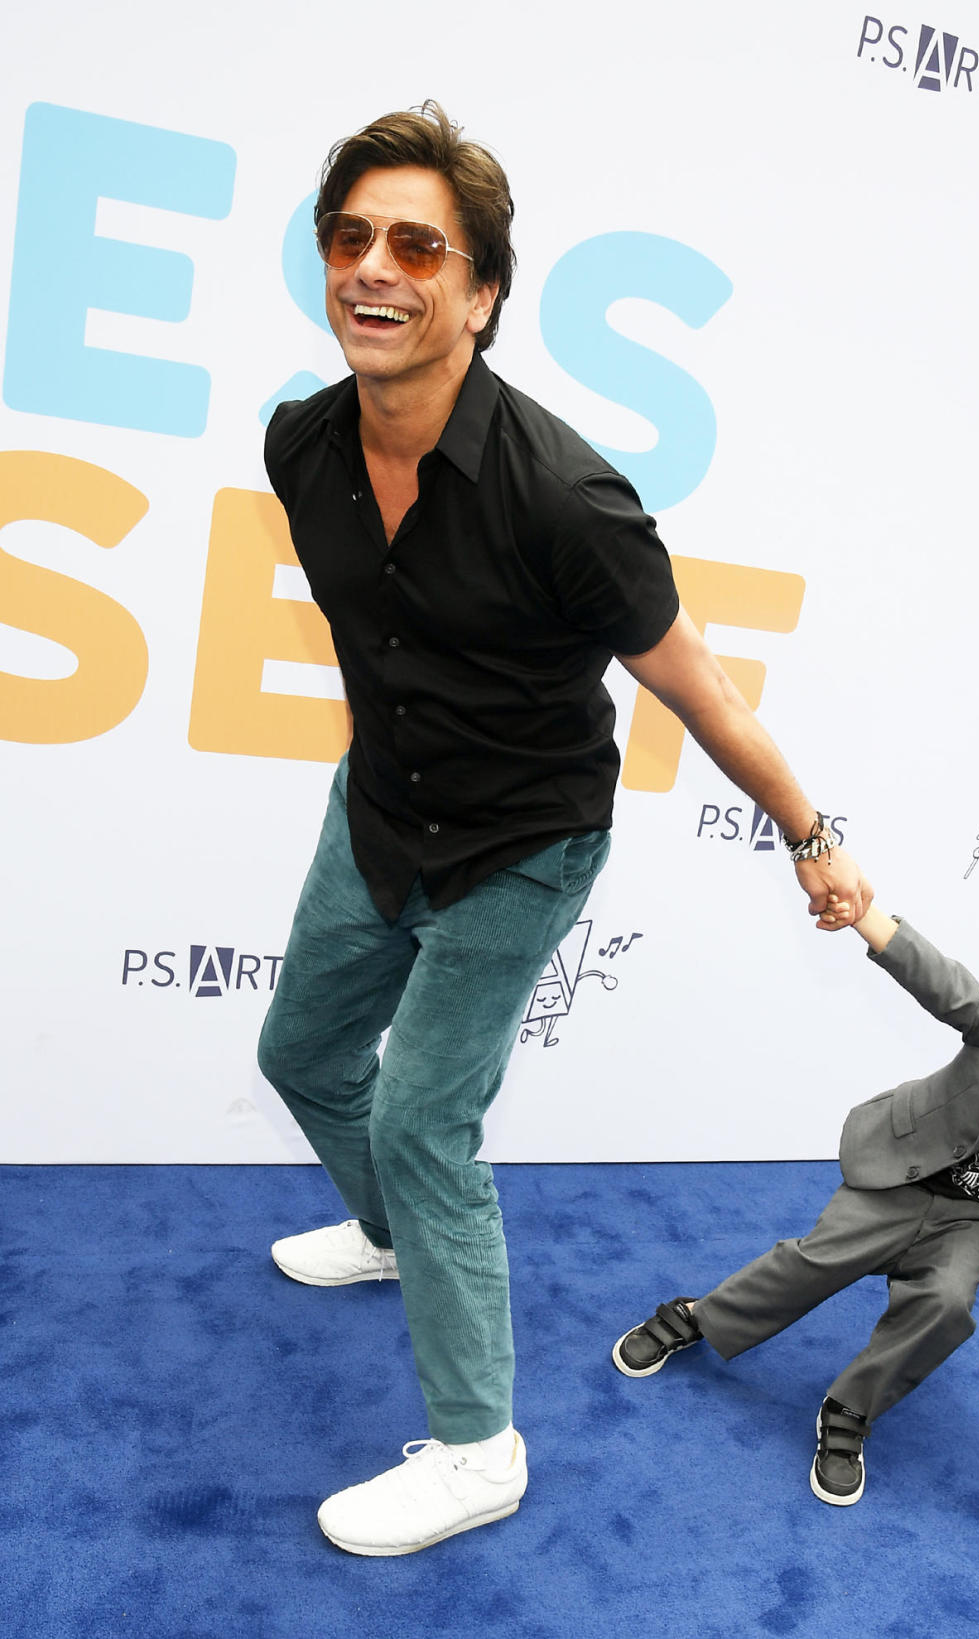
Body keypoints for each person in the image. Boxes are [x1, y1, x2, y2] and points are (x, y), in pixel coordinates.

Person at [256, 101, 870, 1557]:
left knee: (422, 1117)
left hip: (521, 844)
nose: (374, 268)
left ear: (477, 292)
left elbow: (701, 689)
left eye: (418, 244)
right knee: (298, 1053)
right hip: (380, 809)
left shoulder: (564, 494)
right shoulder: (303, 444)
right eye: (349, 238)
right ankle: (396, 1234)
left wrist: (810, 834)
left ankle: (478, 1449)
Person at [612, 898, 979, 1507]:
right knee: (815, 1261)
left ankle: (851, 1407)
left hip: (973, 1219)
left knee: (946, 1305)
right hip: (900, 1177)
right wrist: (862, 913)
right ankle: (703, 1315)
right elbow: (940, 982)